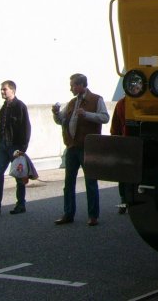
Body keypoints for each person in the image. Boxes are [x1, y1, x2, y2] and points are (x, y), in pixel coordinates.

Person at [52, 73, 109, 226]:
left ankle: (93, 216)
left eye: (73, 85)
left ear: (81, 85)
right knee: (69, 182)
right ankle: (68, 213)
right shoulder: (71, 102)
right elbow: (61, 120)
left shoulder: (96, 99)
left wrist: (87, 114)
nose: (70, 88)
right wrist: (56, 113)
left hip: (88, 147)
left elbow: (104, 117)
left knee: (90, 182)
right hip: (72, 147)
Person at [0, 80, 32, 216]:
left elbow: (26, 128)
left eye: (4, 89)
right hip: (2, 145)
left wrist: (22, 148)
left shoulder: (20, 106)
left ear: (12, 90)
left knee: (19, 175)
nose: (2, 92)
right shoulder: (4, 107)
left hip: (15, 146)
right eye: (1, 90)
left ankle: (21, 204)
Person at [110, 96, 128, 214]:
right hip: (125, 143)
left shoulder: (122, 102)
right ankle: (124, 200)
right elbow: (115, 125)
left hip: (130, 142)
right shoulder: (121, 103)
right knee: (123, 176)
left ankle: (125, 201)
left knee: (125, 175)